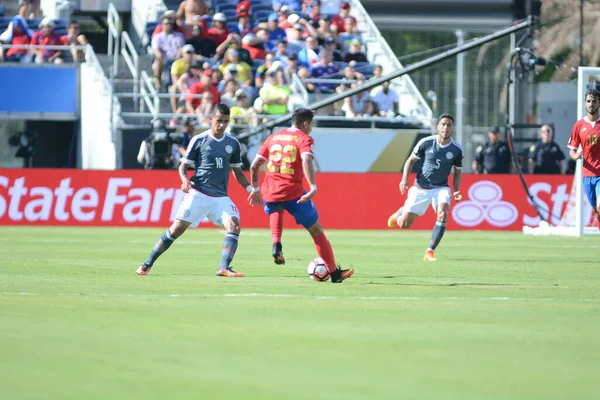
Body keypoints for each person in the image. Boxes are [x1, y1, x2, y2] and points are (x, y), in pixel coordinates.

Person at [137, 103, 260, 277]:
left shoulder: (232, 143)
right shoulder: (199, 140)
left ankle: (224, 268)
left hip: (220, 197)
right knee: (177, 229)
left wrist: (250, 189)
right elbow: (183, 166)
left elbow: (237, 171)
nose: (222, 125)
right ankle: (147, 263)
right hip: (199, 193)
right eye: (219, 121)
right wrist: (185, 180)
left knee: (234, 225)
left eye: (225, 121)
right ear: (211, 119)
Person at [249, 108, 354, 283]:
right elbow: (306, 159)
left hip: (270, 191)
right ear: (305, 123)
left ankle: (277, 245)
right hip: (293, 193)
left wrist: (255, 189)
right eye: (311, 124)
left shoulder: (273, 137)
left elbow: (254, 166)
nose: (311, 128)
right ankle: (335, 273)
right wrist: (312, 186)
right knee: (316, 230)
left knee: (276, 207)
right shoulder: (304, 138)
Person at [387, 114, 463, 261]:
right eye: (443, 124)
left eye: (449, 125)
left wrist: (457, 190)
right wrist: (404, 179)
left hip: (441, 188)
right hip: (420, 188)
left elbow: (458, 171)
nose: (446, 128)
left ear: (452, 128)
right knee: (404, 225)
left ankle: (430, 251)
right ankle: (400, 214)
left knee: (443, 212)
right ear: (438, 127)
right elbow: (410, 160)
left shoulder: (456, 149)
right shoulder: (426, 143)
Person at [567, 88, 600, 230]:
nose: (591, 104)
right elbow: (572, 150)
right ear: (585, 104)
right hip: (587, 175)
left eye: (594, 101)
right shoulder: (579, 126)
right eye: (588, 101)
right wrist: (576, 156)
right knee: (597, 211)